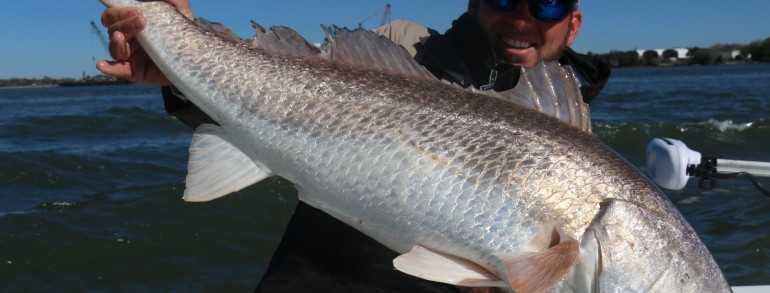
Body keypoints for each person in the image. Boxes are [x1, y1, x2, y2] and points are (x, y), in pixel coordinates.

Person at [98, 0, 610, 292]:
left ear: (573, 21)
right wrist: (177, 71)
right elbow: (271, 99)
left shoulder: (578, 136)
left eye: (545, 1)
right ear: (476, 1)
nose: (520, 17)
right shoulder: (404, 46)